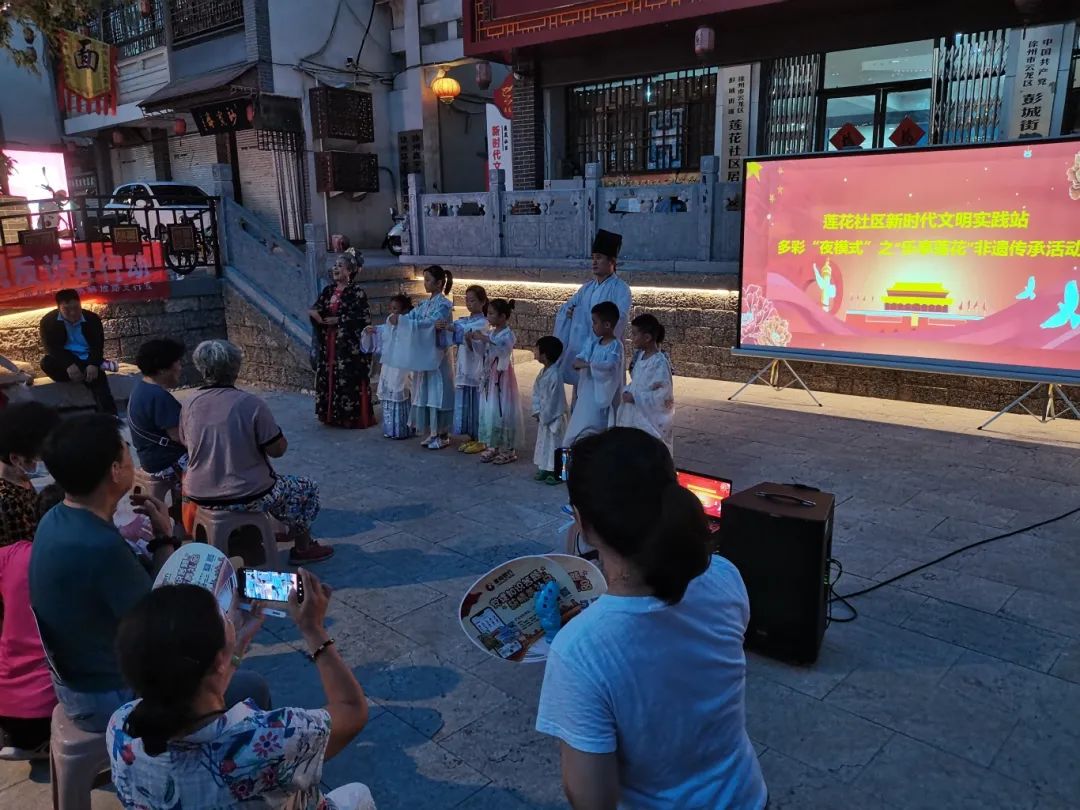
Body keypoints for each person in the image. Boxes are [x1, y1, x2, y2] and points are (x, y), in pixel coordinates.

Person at [536, 428, 767, 809]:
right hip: (744, 794)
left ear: (582, 522)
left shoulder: (579, 652)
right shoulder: (725, 576)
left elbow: (593, 799)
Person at [29, 413, 270, 733]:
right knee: (252, 688)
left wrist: (162, 538)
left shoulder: (56, 519)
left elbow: (148, 598)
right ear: (115, 471)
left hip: (79, 686)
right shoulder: (98, 547)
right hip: (108, 697)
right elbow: (164, 631)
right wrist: (236, 640)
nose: (131, 454)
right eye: (126, 449)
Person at [108, 569, 375, 809]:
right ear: (217, 660)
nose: (228, 615)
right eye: (222, 615)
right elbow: (352, 710)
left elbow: (195, 689)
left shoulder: (121, 729)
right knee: (357, 793)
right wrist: (313, 629)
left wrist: (236, 647)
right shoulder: (268, 742)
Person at [180, 340, 333, 565]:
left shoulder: (189, 403)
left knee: (272, 485)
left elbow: (185, 441)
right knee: (306, 488)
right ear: (235, 368)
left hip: (198, 492)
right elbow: (278, 449)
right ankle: (303, 546)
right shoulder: (250, 403)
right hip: (245, 494)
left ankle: (262, 534)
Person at [0, 403, 60, 759]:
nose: (42, 460)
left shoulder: (19, 483)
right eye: (38, 454)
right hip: (19, 599)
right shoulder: (5, 503)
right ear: (16, 457)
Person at [384, 265, 454, 449]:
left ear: (439, 283)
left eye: (428, 280)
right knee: (425, 392)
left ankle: (443, 434)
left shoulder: (444, 305)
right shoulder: (424, 305)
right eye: (425, 280)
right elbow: (412, 318)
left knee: (439, 391)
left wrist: (406, 322)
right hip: (424, 354)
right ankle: (432, 432)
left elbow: (430, 323)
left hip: (438, 355)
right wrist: (399, 320)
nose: (425, 283)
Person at [554, 230, 632, 392]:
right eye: (593, 258)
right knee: (582, 393)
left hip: (606, 352)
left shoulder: (621, 289)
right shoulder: (586, 288)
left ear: (612, 261)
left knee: (606, 396)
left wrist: (600, 342)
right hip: (584, 349)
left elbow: (620, 318)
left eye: (599, 258)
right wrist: (570, 313)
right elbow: (568, 307)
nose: (594, 262)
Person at [309, 252, 376, 429]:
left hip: (348, 345)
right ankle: (331, 416)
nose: (335, 269)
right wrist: (315, 314)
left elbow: (363, 318)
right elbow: (318, 307)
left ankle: (350, 417)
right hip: (329, 342)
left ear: (349, 271)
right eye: (335, 265)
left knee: (348, 377)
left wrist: (340, 320)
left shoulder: (357, 293)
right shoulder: (328, 290)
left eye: (340, 266)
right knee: (329, 374)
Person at [39, 288, 117, 414]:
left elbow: (97, 345)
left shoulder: (92, 319)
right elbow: (51, 347)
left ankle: (110, 417)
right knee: (46, 362)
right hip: (67, 357)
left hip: (87, 357)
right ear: (59, 308)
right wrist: (68, 364)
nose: (73, 313)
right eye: (67, 310)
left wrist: (93, 363)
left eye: (76, 308)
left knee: (99, 384)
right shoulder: (48, 321)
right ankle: (102, 365)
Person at [562, 301, 625, 447]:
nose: (592, 326)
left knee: (594, 433)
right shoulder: (594, 343)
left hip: (600, 397)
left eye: (595, 322)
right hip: (587, 395)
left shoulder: (616, 346)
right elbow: (579, 359)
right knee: (574, 433)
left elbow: (610, 367)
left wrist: (589, 365)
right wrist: (583, 363)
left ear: (607, 325)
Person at [468, 299, 523, 465]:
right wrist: (472, 340)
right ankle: (493, 444)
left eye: (492, 313)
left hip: (502, 375)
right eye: (488, 313)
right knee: (490, 407)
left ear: (503, 316)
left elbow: (503, 349)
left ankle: (508, 449)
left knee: (502, 408)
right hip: (490, 374)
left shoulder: (507, 334)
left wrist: (484, 339)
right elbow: (484, 351)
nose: (488, 316)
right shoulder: (491, 333)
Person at [128, 338, 187, 482]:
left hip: (150, 459)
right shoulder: (160, 397)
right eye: (177, 362)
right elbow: (180, 437)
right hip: (166, 461)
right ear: (162, 370)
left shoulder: (140, 389)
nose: (180, 368)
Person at [440, 284, 489, 454]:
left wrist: (456, 329)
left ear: (482, 302)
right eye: (467, 300)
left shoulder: (483, 322)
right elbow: (458, 330)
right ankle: (472, 436)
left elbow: (471, 335)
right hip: (464, 365)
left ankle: (481, 438)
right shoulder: (465, 320)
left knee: (476, 403)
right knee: (467, 403)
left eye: (473, 300)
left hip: (476, 368)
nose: (469, 304)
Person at [617, 314, 675, 456]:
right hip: (633, 414)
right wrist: (628, 390)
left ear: (647, 337)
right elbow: (637, 381)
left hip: (647, 419)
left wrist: (636, 397)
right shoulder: (640, 357)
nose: (632, 338)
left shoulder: (659, 362)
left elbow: (664, 394)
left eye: (635, 334)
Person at [361, 294, 414, 440]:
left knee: (401, 391)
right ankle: (390, 428)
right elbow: (383, 330)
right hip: (389, 365)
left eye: (396, 309)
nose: (392, 312)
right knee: (389, 392)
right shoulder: (389, 323)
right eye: (391, 308)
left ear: (404, 311)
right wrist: (373, 330)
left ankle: (404, 429)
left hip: (402, 365)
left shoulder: (409, 324)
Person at [532, 336, 568, 485]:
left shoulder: (555, 375)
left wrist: (545, 415)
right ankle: (546, 468)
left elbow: (555, 401)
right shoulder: (543, 372)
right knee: (545, 444)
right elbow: (535, 392)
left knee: (557, 444)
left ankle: (561, 473)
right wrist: (537, 410)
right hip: (544, 416)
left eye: (536, 349)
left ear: (544, 355)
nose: (534, 351)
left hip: (555, 417)